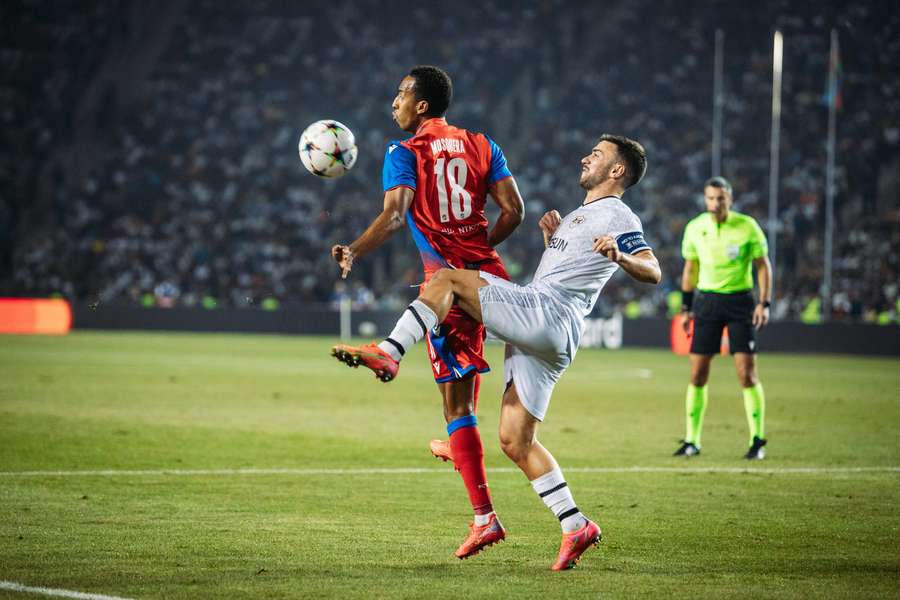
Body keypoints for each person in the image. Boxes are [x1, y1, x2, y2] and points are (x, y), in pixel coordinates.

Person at [333, 135, 660, 570]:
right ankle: (574, 523)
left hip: (546, 313)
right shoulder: (583, 215)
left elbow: (652, 269)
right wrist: (552, 241)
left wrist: (622, 255)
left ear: (617, 171)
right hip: (554, 336)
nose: (586, 157)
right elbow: (576, 272)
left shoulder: (617, 214)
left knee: (448, 280)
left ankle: (390, 351)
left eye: (597, 155)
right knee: (515, 440)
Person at [330, 65, 525, 559]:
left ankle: (485, 518)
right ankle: (458, 449)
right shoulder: (483, 144)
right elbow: (514, 211)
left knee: (456, 408)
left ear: (420, 106)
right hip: (491, 279)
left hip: (447, 292)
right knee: (461, 402)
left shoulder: (404, 151)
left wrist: (354, 249)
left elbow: (396, 215)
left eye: (399, 95)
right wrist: (476, 248)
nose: (392, 103)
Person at [673, 176, 773, 460]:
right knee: (697, 373)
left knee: (746, 373)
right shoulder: (695, 228)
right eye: (711, 198)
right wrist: (685, 308)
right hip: (707, 303)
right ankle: (692, 441)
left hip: (741, 302)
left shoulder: (747, 227)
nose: (715, 203)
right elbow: (690, 269)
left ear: (730, 199)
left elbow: (763, 267)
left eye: (721, 198)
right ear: (705, 200)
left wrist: (764, 303)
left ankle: (757, 440)